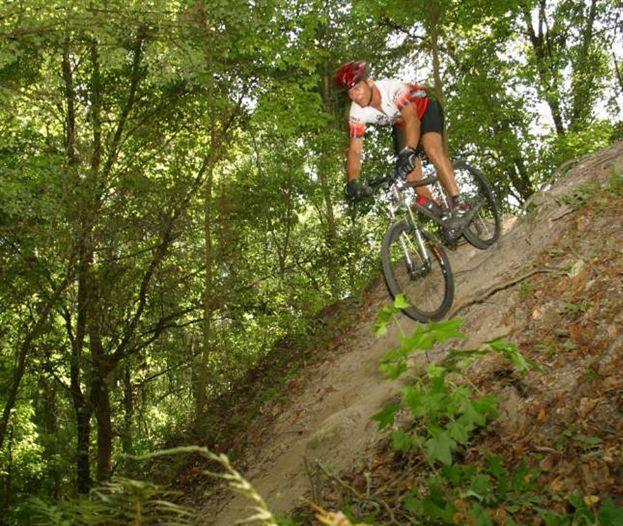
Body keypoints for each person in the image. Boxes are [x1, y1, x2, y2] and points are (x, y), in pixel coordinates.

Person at [334, 60, 471, 222]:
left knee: (431, 148)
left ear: (369, 82)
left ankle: (459, 202)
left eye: (357, 88)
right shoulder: (357, 112)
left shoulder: (393, 89)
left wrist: (409, 151)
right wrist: (352, 181)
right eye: (350, 93)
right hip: (401, 122)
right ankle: (444, 216)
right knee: (411, 177)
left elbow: (412, 118)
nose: (355, 96)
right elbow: (355, 150)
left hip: (424, 107)